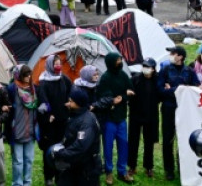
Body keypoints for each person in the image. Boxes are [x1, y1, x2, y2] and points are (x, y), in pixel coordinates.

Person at [156, 45, 198, 180]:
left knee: (184, 139)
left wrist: (172, 88)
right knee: (168, 139)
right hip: (168, 108)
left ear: (180, 56)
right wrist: (180, 89)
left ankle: (182, 167)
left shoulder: (190, 71)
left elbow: (195, 89)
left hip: (184, 109)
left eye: (173, 53)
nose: (171, 56)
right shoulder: (165, 70)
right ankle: (169, 170)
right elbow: (160, 90)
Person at [49, 87, 102, 186]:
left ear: (79, 103)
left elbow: (81, 146)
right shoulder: (74, 116)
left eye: (70, 101)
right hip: (73, 165)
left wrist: (61, 153)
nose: (68, 103)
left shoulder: (87, 121)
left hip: (86, 169)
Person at [97, 52, 134, 184]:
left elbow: (130, 90)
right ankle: (108, 172)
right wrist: (115, 99)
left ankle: (122, 171)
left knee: (123, 145)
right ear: (111, 62)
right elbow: (106, 97)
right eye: (118, 60)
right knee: (108, 147)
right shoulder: (105, 78)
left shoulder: (123, 75)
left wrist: (122, 96)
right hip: (109, 119)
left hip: (122, 117)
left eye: (120, 59)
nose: (120, 62)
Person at [36, 56, 72, 186]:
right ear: (50, 65)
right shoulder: (44, 82)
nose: (58, 66)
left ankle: (60, 175)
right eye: (55, 64)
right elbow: (42, 102)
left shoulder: (64, 78)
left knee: (61, 148)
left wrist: (69, 102)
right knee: (49, 149)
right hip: (50, 123)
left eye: (59, 63)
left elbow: (70, 92)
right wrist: (48, 114)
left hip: (63, 120)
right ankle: (48, 176)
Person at [7, 64, 38, 186]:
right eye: (25, 75)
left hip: (30, 130)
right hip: (17, 131)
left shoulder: (33, 89)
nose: (28, 77)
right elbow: (6, 106)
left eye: (29, 74)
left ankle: (27, 183)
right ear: (18, 75)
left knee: (29, 160)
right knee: (18, 162)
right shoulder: (12, 89)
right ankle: (17, 183)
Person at [128, 57, 159, 179]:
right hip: (135, 115)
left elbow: (160, 95)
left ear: (153, 69)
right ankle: (132, 166)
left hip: (151, 115)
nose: (145, 69)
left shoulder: (157, 80)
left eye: (148, 67)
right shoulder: (135, 79)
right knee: (133, 141)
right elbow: (129, 93)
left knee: (149, 142)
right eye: (144, 66)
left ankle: (149, 167)